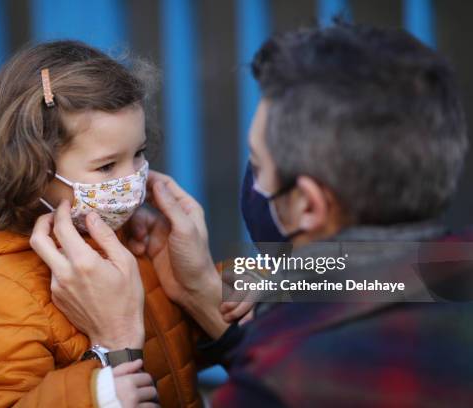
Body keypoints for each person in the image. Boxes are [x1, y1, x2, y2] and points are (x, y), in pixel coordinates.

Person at [31, 22, 473, 407]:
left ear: (308, 204)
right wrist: (204, 293)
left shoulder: (281, 387)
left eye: (257, 166)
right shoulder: (448, 267)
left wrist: (118, 347)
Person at [0, 40, 250, 408]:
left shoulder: (131, 234)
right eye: (106, 166)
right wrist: (99, 390)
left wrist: (231, 286)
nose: (132, 179)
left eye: (139, 154)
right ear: (32, 170)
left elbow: (175, 346)